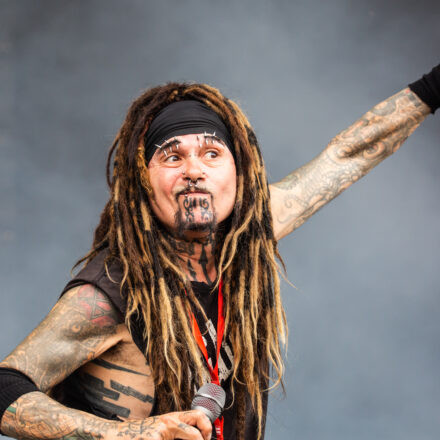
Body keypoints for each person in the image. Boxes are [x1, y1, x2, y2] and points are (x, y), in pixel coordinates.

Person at [0, 66, 439, 440]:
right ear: (143, 183)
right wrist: (127, 434)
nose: (194, 170)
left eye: (212, 153)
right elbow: (4, 388)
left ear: (239, 172)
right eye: (172, 157)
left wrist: (433, 87)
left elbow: (347, 155)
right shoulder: (109, 292)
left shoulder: (248, 234)